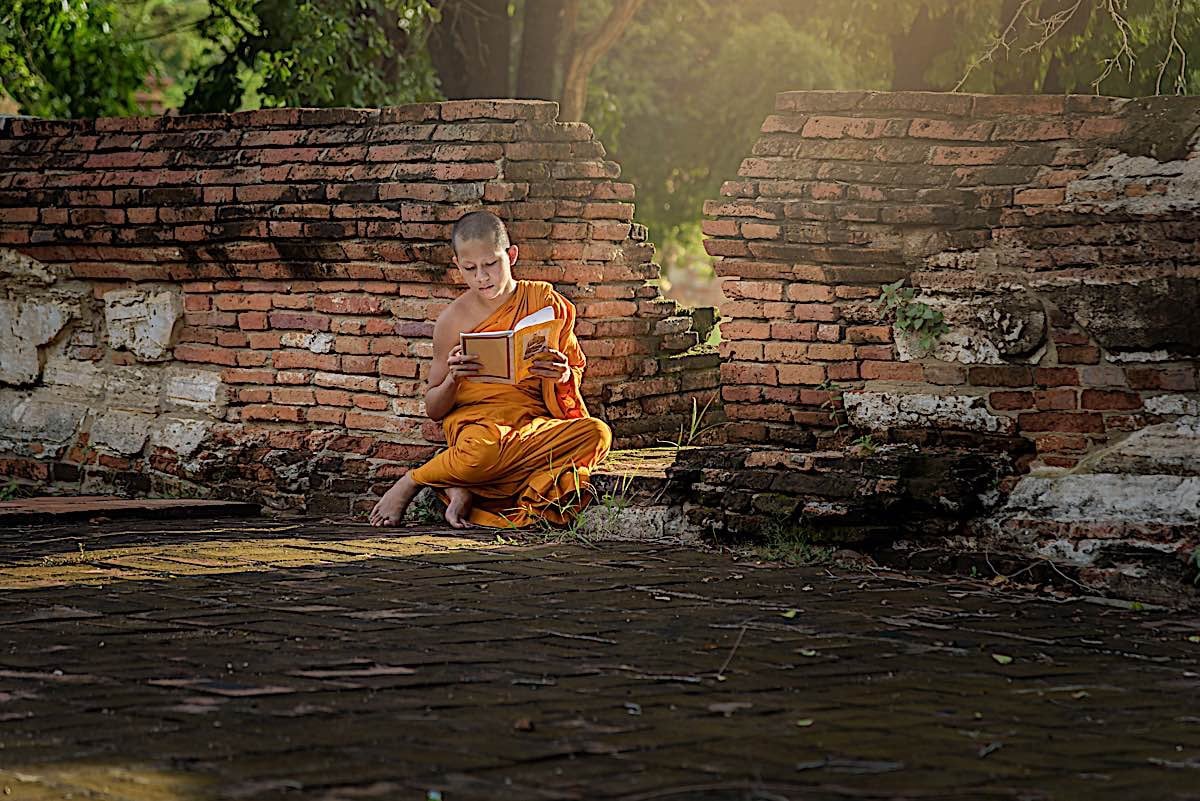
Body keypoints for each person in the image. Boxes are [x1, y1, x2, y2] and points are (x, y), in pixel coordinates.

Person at [368, 210, 612, 529]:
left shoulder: (544, 303)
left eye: (491, 264)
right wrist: (455, 378)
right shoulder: (452, 321)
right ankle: (412, 481)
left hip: (532, 425)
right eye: (470, 269)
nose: (482, 277)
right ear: (458, 266)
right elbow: (434, 408)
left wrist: (563, 376)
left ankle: (465, 485)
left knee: (597, 433)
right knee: (480, 454)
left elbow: (571, 375)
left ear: (511, 255)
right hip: (480, 430)